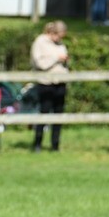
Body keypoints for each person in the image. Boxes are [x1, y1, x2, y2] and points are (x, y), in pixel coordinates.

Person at [31, 21, 69, 152]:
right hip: (45, 83)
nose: (60, 39)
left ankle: (55, 145)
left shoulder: (60, 44)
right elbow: (40, 63)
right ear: (53, 33)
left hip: (60, 82)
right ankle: (37, 143)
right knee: (44, 113)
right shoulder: (40, 42)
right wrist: (56, 58)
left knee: (58, 114)